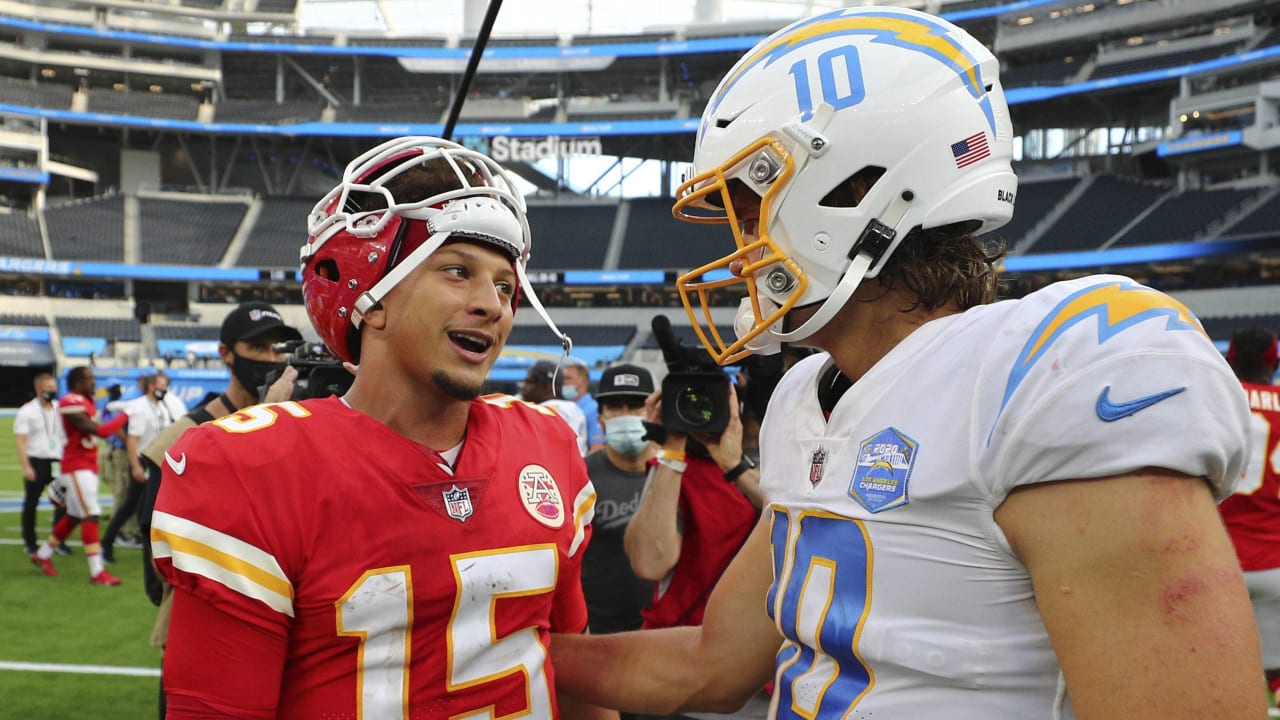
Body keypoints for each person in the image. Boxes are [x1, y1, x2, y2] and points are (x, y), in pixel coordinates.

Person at [550, 7, 1264, 719]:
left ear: (855, 189)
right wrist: (485, 648)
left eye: (749, 208)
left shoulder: (1043, 375)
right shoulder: (809, 395)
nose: (735, 254)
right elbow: (711, 664)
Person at [151, 136, 614, 718]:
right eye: (456, 271)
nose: (493, 305)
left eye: (504, 285)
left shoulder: (546, 445)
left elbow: (571, 668)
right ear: (369, 299)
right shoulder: (250, 468)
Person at [136, 301, 302, 720]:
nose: (270, 358)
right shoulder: (184, 436)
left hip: (293, 623)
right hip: (209, 629)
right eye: (257, 347)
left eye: (277, 348)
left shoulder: (297, 423)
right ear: (226, 353)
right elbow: (160, 563)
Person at [1220, 327, 1280, 705]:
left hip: (1215, 566)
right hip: (1276, 563)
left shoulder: (1213, 401)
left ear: (1229, 359)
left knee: (1211, 679)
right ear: (1273, 363)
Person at [30, 366, 129, 584]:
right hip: (76, 466)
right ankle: (97, 572)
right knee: (91, 514)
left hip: (85, 465)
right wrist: (127, 414)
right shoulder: (70, 400)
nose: (93, 383)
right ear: (76, 382)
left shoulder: (85, 400)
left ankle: (43, 554)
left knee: (75, 516)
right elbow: (101, 431)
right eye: (88, 379)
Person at [581, 363, 658, 636]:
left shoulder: (676, 473)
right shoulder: (579, 476)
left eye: (636, 405)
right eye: (614, 406)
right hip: (600, 633)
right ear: (600, 419)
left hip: (668, 630)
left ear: (654, 413)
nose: (625, 415)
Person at [101, 373, 173, 564]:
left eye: (166, 385)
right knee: (132, 504)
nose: (164, 389)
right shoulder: (141, 407)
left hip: (157, 461)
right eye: (161, 385)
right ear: (151, 386)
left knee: (144, 504)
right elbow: (133, 439)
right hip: (144, 460)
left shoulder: (162, 406)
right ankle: (107, 542)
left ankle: (143, 538)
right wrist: (135, 466)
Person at [14, 372, 68, 556]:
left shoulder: (59, 408)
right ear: (39, 389)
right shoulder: (27, 411)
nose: (53, 392)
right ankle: (30, 542)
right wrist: (26, 466)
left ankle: (58, 541)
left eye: (54, 389)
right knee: (31, 503)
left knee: (63, 502)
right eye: (49, 389)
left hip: (57, 460)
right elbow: (21, 440)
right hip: (36, 460)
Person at [98, 382, 136, 551]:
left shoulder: (108, 404)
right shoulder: (116, 406)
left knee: (121, 491)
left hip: (110, 449)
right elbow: (115, 428)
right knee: (124, 492)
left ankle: (118, 524)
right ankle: (124, 531)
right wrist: (130, 444)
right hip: (117, 450)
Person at [524, 359, 590, 456]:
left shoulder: (545, 410)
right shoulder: (574, 407)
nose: (524, 387)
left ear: (546, 387)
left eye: (529, 382)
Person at [566, 358, 605, 453]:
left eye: (568, 378)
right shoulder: (565, 408)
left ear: (583, 382)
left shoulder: (593, 409)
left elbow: (597, 448)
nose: (563, 382)